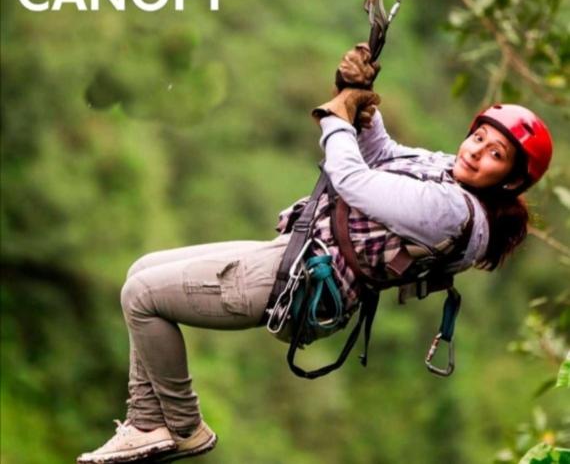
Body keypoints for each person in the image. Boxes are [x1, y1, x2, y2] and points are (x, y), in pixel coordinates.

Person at [77, 45, 553, 464]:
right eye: (479, 138)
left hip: (301, 281)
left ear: (511, 180)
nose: (476, 153)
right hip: (297, 253)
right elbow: (381, 154)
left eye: (496, 155)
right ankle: (148, 422)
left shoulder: (453, 211)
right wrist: (360, 99)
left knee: (142, 295)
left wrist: (336, 115)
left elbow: (354, 180)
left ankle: (178, 427)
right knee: (142, 270)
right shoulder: (448, 171)